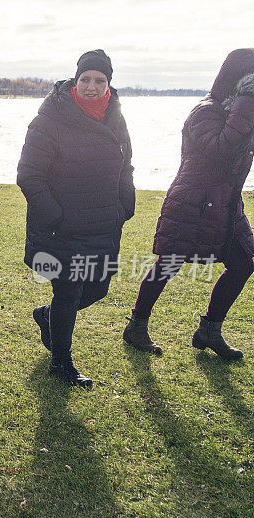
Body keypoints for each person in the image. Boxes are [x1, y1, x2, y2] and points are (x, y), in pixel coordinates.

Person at [123, 49, 254, 360]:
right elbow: (220, 149)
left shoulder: (238, 112)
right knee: (169, 263)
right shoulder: (205, 112)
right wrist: (247, 103)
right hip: (192, 202)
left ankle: (210, 330)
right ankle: (136, 326)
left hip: (225, 203)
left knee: (245, 262)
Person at [18, 49, 135, 388]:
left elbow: (126, 167)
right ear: (75, 80)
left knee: (97, 289)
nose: (92, 86)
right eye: (85, 79)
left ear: (109, 85)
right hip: (62, 229)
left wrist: (124, 205)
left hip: (104, 225)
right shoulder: (49, 120)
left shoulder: (116, 117)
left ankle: (47, 316)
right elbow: (29, 175)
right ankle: (61, 363)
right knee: (69, 293)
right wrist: (58, 217)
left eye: (100, 80)